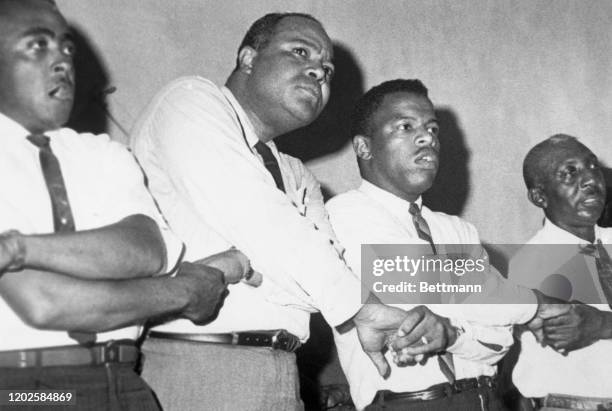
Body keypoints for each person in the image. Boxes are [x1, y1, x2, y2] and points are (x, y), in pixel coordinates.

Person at [131, 12, 443, 411]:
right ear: (248, 58)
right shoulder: (189, 99)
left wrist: (244, 266)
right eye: (300, 52)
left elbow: (308, 286)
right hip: (201, 362)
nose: (319, 71)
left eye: (327, 69)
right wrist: (352, 303)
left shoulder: (297, 174)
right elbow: (259, 219)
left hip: (282, 368)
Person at [0, 1, 249, 409]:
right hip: (29, 391)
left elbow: (147, 249)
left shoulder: (101, 153)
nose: (62, 60)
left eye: (66, 48)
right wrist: (184, 291)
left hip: (127, 385)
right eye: (37, 45)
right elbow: (46, 302)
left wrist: (18, 248)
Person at [325, 79, 564, 410]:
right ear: (364, 147)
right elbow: (420, 286)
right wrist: (533, 303)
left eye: (432, 129)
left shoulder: (458, 230)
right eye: (405, 126)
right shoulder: (343, 214)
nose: (428, 138)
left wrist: (453, 335)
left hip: (485, 399)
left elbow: (500, 340)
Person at [509, 135, 612, 409]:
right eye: (571, 172)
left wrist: (602, 324)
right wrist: (599, 325)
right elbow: (568, 333)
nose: (591, 180)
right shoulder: (533, 263)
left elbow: (594, 326)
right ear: (539, 196)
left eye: (593, 166)